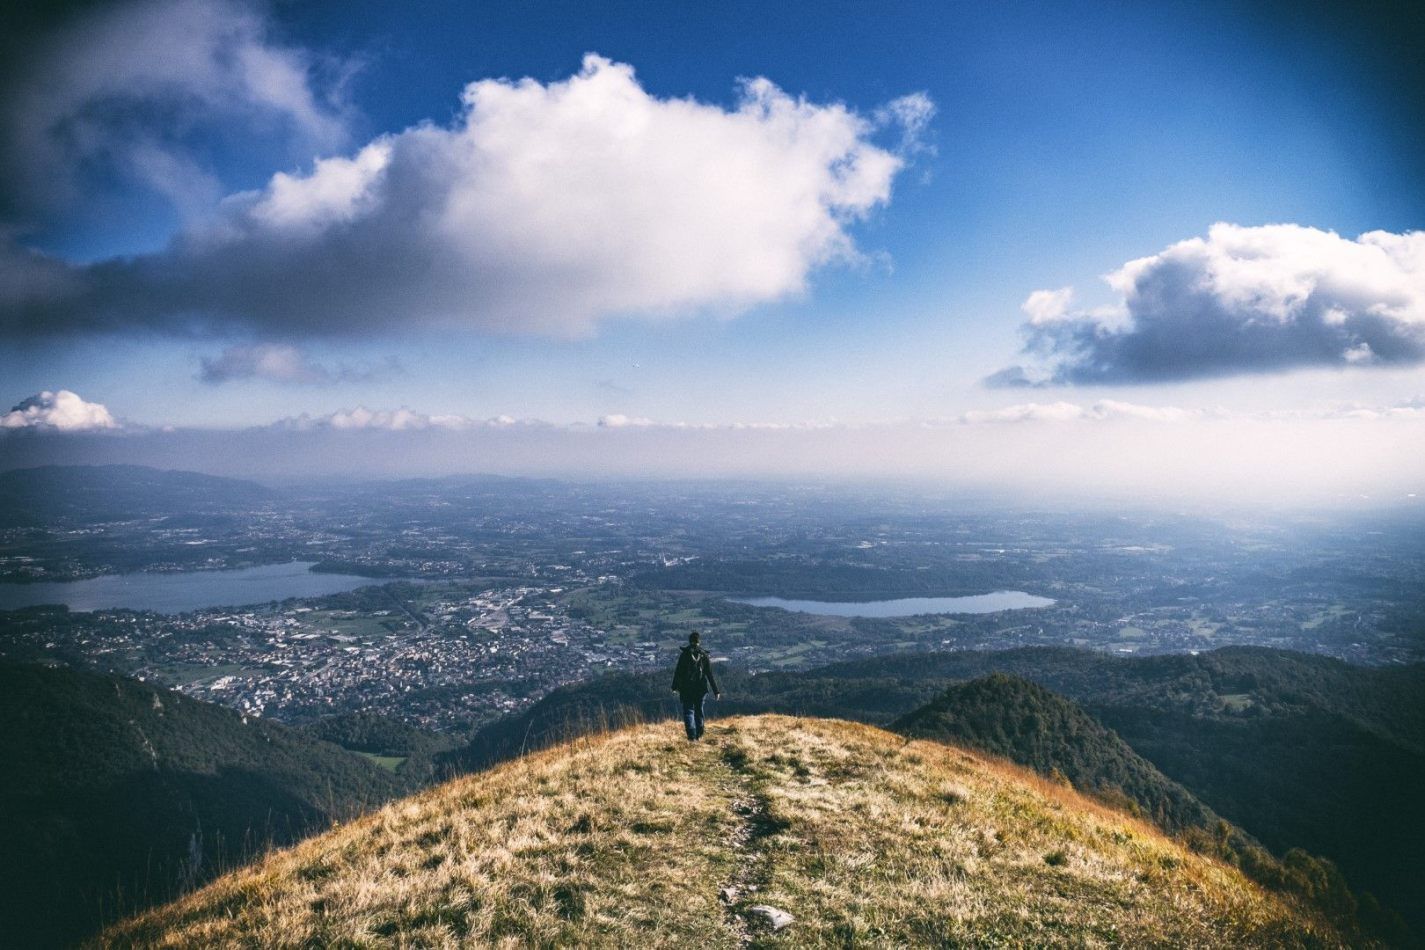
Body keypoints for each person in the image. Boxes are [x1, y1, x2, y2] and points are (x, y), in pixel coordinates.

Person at [671, 630, 720, 740]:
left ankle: (691, 736)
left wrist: (674, 687)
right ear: (699, 641)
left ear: (690, 641)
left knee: (688, 711)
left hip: (686, 689)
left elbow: (678, 672)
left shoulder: (684, 655)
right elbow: (709, 675)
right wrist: (716, 691)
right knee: (699, 710)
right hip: (701, 689)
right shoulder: (704, 655)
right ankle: (700, 733)